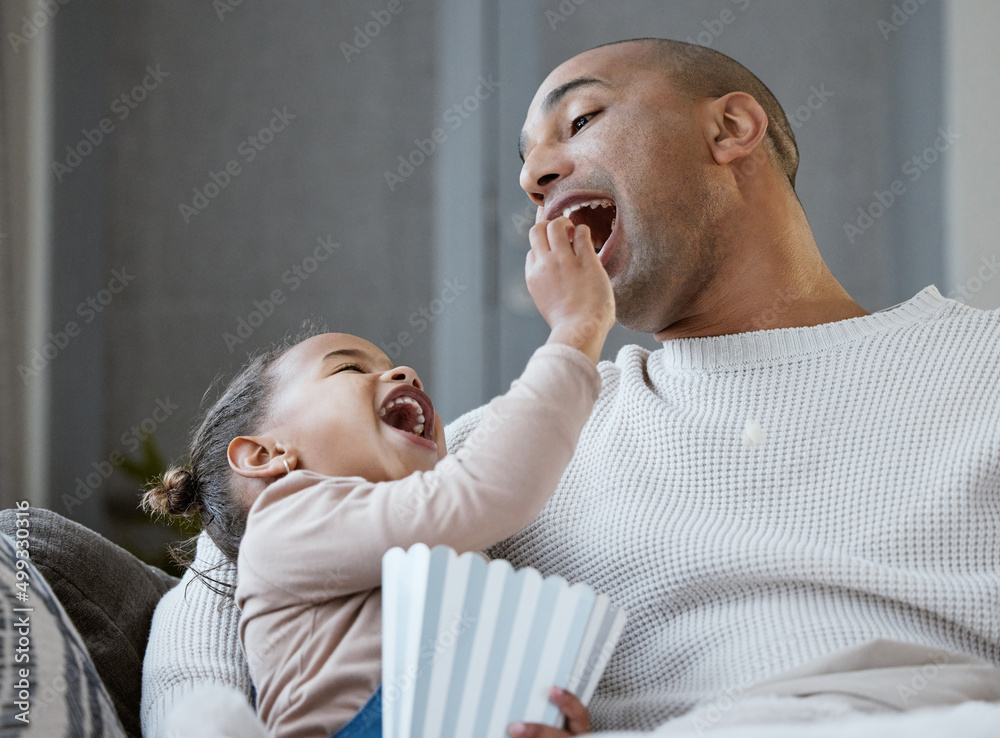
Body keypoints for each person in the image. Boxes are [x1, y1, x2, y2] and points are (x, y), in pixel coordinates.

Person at [143, 38, 1000, 736]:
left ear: (731, 127)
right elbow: (228, 571)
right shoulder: (506, 442)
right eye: (525, 162)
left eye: (579, 120)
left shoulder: (980, 363)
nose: (533, 178)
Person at [142, 217, 613, 738]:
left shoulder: (455, 557)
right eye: (348, 369)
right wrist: (576, 328)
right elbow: (486, 489)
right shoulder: (288, 520)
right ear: (264, 456)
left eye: (390, 365)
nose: (402, 373)